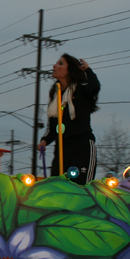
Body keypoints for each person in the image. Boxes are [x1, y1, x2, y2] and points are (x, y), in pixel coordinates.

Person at [37, 54, 100, 185]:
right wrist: (45, 140)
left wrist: (87, 70)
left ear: (70, 70)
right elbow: (54, 124)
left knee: (81, 187)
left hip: (82, 147)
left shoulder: (81, 90)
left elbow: (95, 86)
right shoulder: (55, 93)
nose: (54, 66)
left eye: (60, 63)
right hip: (62, 148)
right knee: (57, 184)